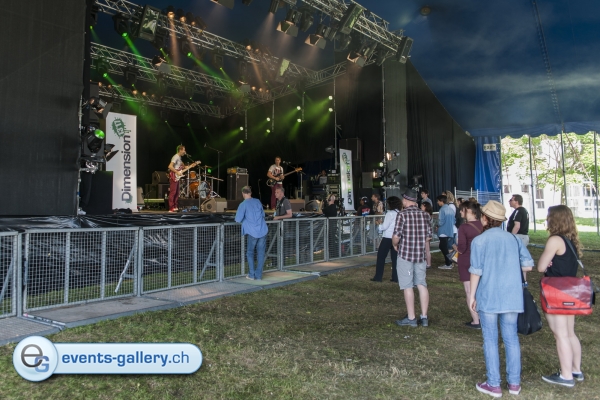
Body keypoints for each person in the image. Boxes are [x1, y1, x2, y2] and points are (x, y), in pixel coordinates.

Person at [469, 200, 534, 398]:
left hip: (488, 294)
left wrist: (471, 295)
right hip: (512, 295)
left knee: (490, 339)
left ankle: (494, 384)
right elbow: (528, 266)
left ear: (484, 218)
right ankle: (514, 384)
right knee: (511, 338)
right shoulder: (514, 239)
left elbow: (476, 271)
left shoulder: (479, 241)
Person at [536, 205, 584, 387]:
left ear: (554, 219)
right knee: (570, 333)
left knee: (560, 334)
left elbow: (541, 267)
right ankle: (576, 370)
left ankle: (566, 376)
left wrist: (547, 263)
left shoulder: (555, 240)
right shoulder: (571, 241)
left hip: (555, 292)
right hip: (570, 291)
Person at [392, 188, 432, 327]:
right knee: (421, 284)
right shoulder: (425, 215)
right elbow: (428, 237)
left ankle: (411, 318)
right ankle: (424, 317)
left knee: (407, 285)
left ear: (406, 200)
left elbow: (396, 236)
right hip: (420, 255)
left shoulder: (402, 215)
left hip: (405, 254)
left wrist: (395, 245)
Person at [452, 201, 483, 329]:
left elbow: (462, 248)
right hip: (481, 260)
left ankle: (476, 320)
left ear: (468, 211)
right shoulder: (483, 225)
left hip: (466, 260)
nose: (460, 212)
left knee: (469, 291)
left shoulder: (464, 227)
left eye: (461, 210)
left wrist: (454, 247)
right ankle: (484, 316)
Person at [235, 186, 268, 280]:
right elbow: (263, 214)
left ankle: (251, 274)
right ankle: (258, 275)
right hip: (262, 230)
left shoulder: (243, 204)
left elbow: (238, 219)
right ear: (251, 192)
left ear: (243, 193)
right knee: (261, 253)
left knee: (250, 253)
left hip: (252, 232)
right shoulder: (257, 201)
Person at [371, 196, 401, 282]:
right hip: (397, 237)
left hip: (388, 237)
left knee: (381, 256)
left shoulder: (390, 213)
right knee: (395, 258)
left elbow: (384, 227)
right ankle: (395, 277)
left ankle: (378, 277)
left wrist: (379, 224)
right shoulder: (400, 213)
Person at [437, 194, 455, 269]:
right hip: (449, 230)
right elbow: (454, 221)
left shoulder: (442, 209)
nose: (437, 202)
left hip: (443, 231)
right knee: (443, 246)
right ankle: (449, 262)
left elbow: (440, 222)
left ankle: (448, 263)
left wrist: (437, 225)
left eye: (438, 201)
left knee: (443, 247)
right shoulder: (450, 209)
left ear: (442, 201)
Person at [167, 145, 186, 213]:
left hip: (177, 176)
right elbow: (170, 166)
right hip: (174, 176)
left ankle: (175, 206)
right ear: (180, 150)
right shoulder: (176, 156)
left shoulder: (179, 158)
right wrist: (177, 172)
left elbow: (182, 167)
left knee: (177, 192)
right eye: (184, 150)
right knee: (173, 192)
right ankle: (171, 208)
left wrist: (192, 165)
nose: (185, 151)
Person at [420, 202, 434, 269]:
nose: (421, 207)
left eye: (422, 206)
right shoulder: (428, 215)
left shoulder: (425, 215)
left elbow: (427, 226)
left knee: (426, 250)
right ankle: (428, 263)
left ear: (425, 206)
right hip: (427, 234)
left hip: (426, 235)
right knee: (427, 250)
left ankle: (428, 263)